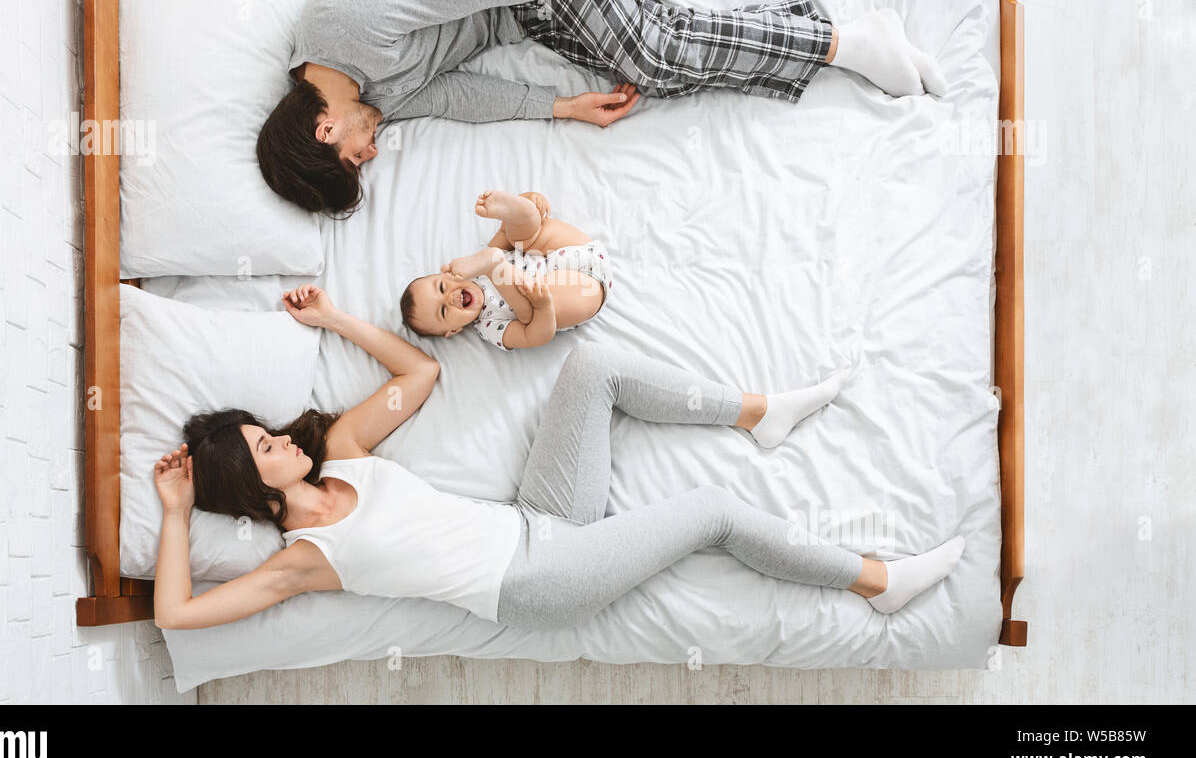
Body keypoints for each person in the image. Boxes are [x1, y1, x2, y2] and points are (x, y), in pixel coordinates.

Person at [151, 285, 966, 631]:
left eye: (270, 432)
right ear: (255, 489)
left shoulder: (344, 453)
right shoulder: (303, 559)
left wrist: (333, 318)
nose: (284, 441)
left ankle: (759, 415)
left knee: (593, 367)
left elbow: (422, 370)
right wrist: (179, 514)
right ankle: (877, 581)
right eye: (267, 449)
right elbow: (177, 616)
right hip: (536, 582)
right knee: (714, 512)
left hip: (537, 518)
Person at [257, 0, 948, 217]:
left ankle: (843, 44)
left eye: (354, 160)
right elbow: (458, 94)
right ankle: (829, 34)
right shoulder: (369, 102)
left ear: (322, 132)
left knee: (650, 48)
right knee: (657, 69)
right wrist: (563, 109)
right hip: (522, 7)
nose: (370, 154)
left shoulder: (341, 18)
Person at [400, 189, 611, 351]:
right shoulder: (489, 326)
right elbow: (536, 336)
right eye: (444, 311)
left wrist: (527, 202)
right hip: (581, 292)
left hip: (570, 250)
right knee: (530, 312)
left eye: (442, 287)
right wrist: (543, 306)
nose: (450, 298)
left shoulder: (475, 264)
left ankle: (524, 211)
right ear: (453, 331)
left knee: (521, 238)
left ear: (448, 274)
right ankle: (503, 271)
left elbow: (505, 232)